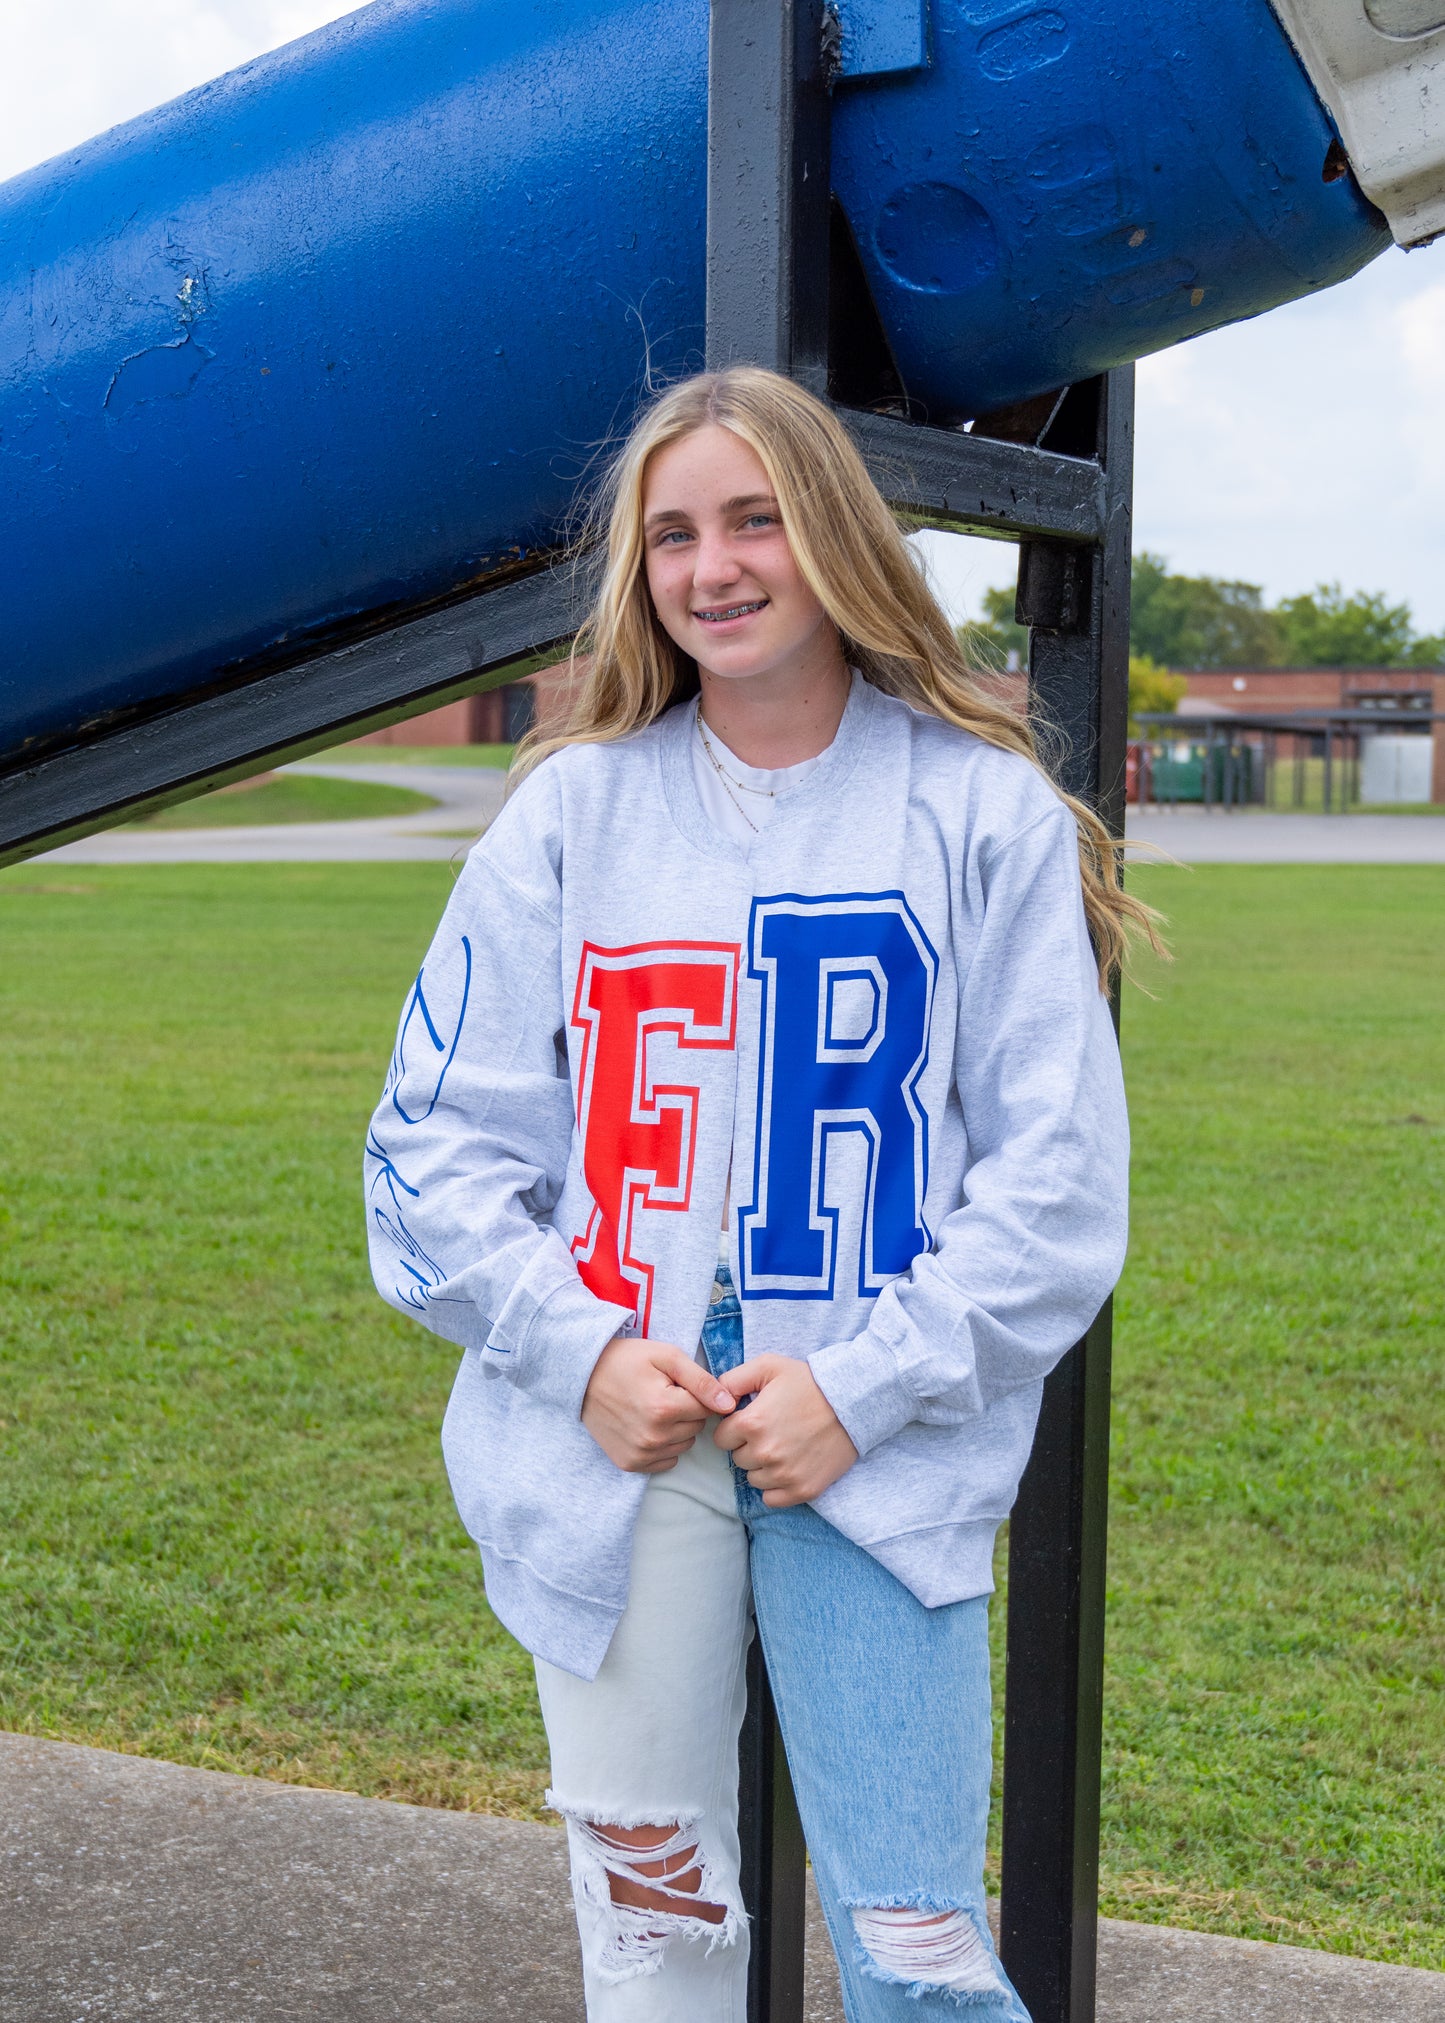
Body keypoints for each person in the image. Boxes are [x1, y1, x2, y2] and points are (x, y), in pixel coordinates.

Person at [365, 366, 1154, 2021]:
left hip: (868, 1452)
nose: (711, 567)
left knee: (921, 1956)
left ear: (835, 537)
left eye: (752, 520)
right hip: (618, 1452)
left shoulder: (973, 810)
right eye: (671, 535)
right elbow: (428, 1150)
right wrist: (578, 1351)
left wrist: (862, 1389)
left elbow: (1060, 1187)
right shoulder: (571, 813)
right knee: (657, 1941)